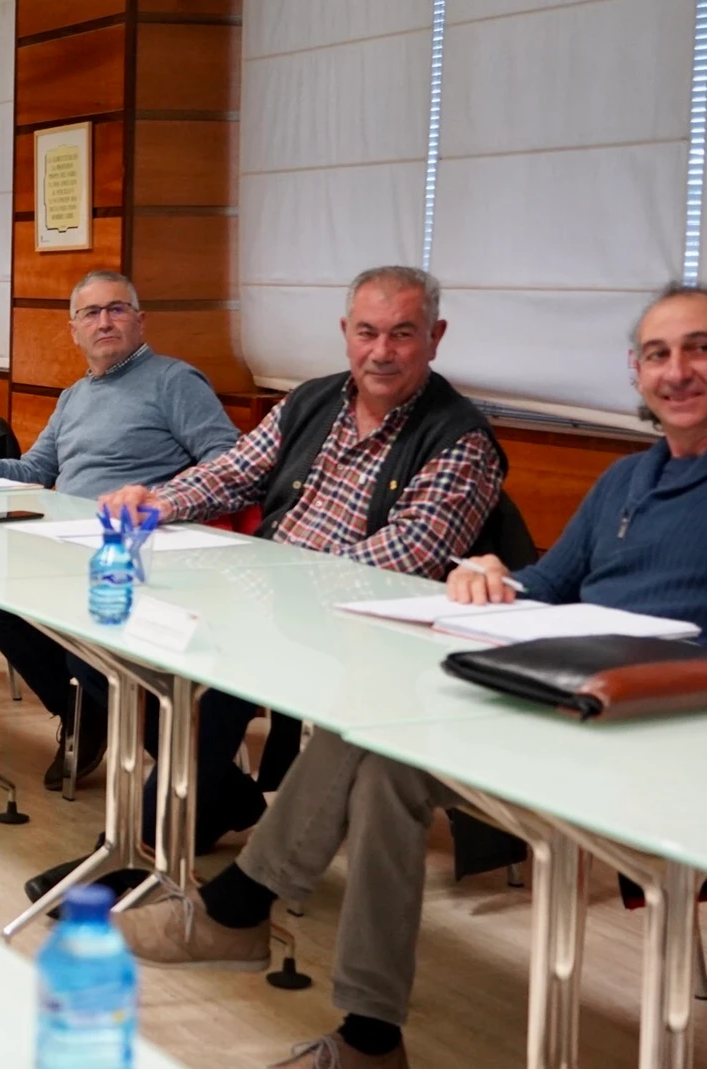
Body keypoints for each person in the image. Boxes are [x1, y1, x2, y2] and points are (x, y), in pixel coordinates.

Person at [97, 276, 607, 1069]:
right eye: (367, 332)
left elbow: (397, 563)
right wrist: (157, 501)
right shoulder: (312, 401)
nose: (381, 351)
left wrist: (258, 586)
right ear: (344, 332)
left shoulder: (460, 439)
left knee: (357, 739)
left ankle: (236, 909)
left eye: (402, 334)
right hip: (290, 613)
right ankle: (338, 1005)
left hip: (371, 645)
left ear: (435, 339)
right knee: (351, 756)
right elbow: (237, 470)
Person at [0, 270, 240, 784]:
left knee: (45, 617)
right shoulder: (76, 396)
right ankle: (82, 713)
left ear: (140, 321)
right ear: (73, 330)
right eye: (91, 314)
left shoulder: (174, 381)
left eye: (117, 309)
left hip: (138, 551)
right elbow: (35, 472)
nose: (105, 322)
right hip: (65, 543)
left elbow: (229, 460)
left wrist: (159, 499)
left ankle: (134, 736)